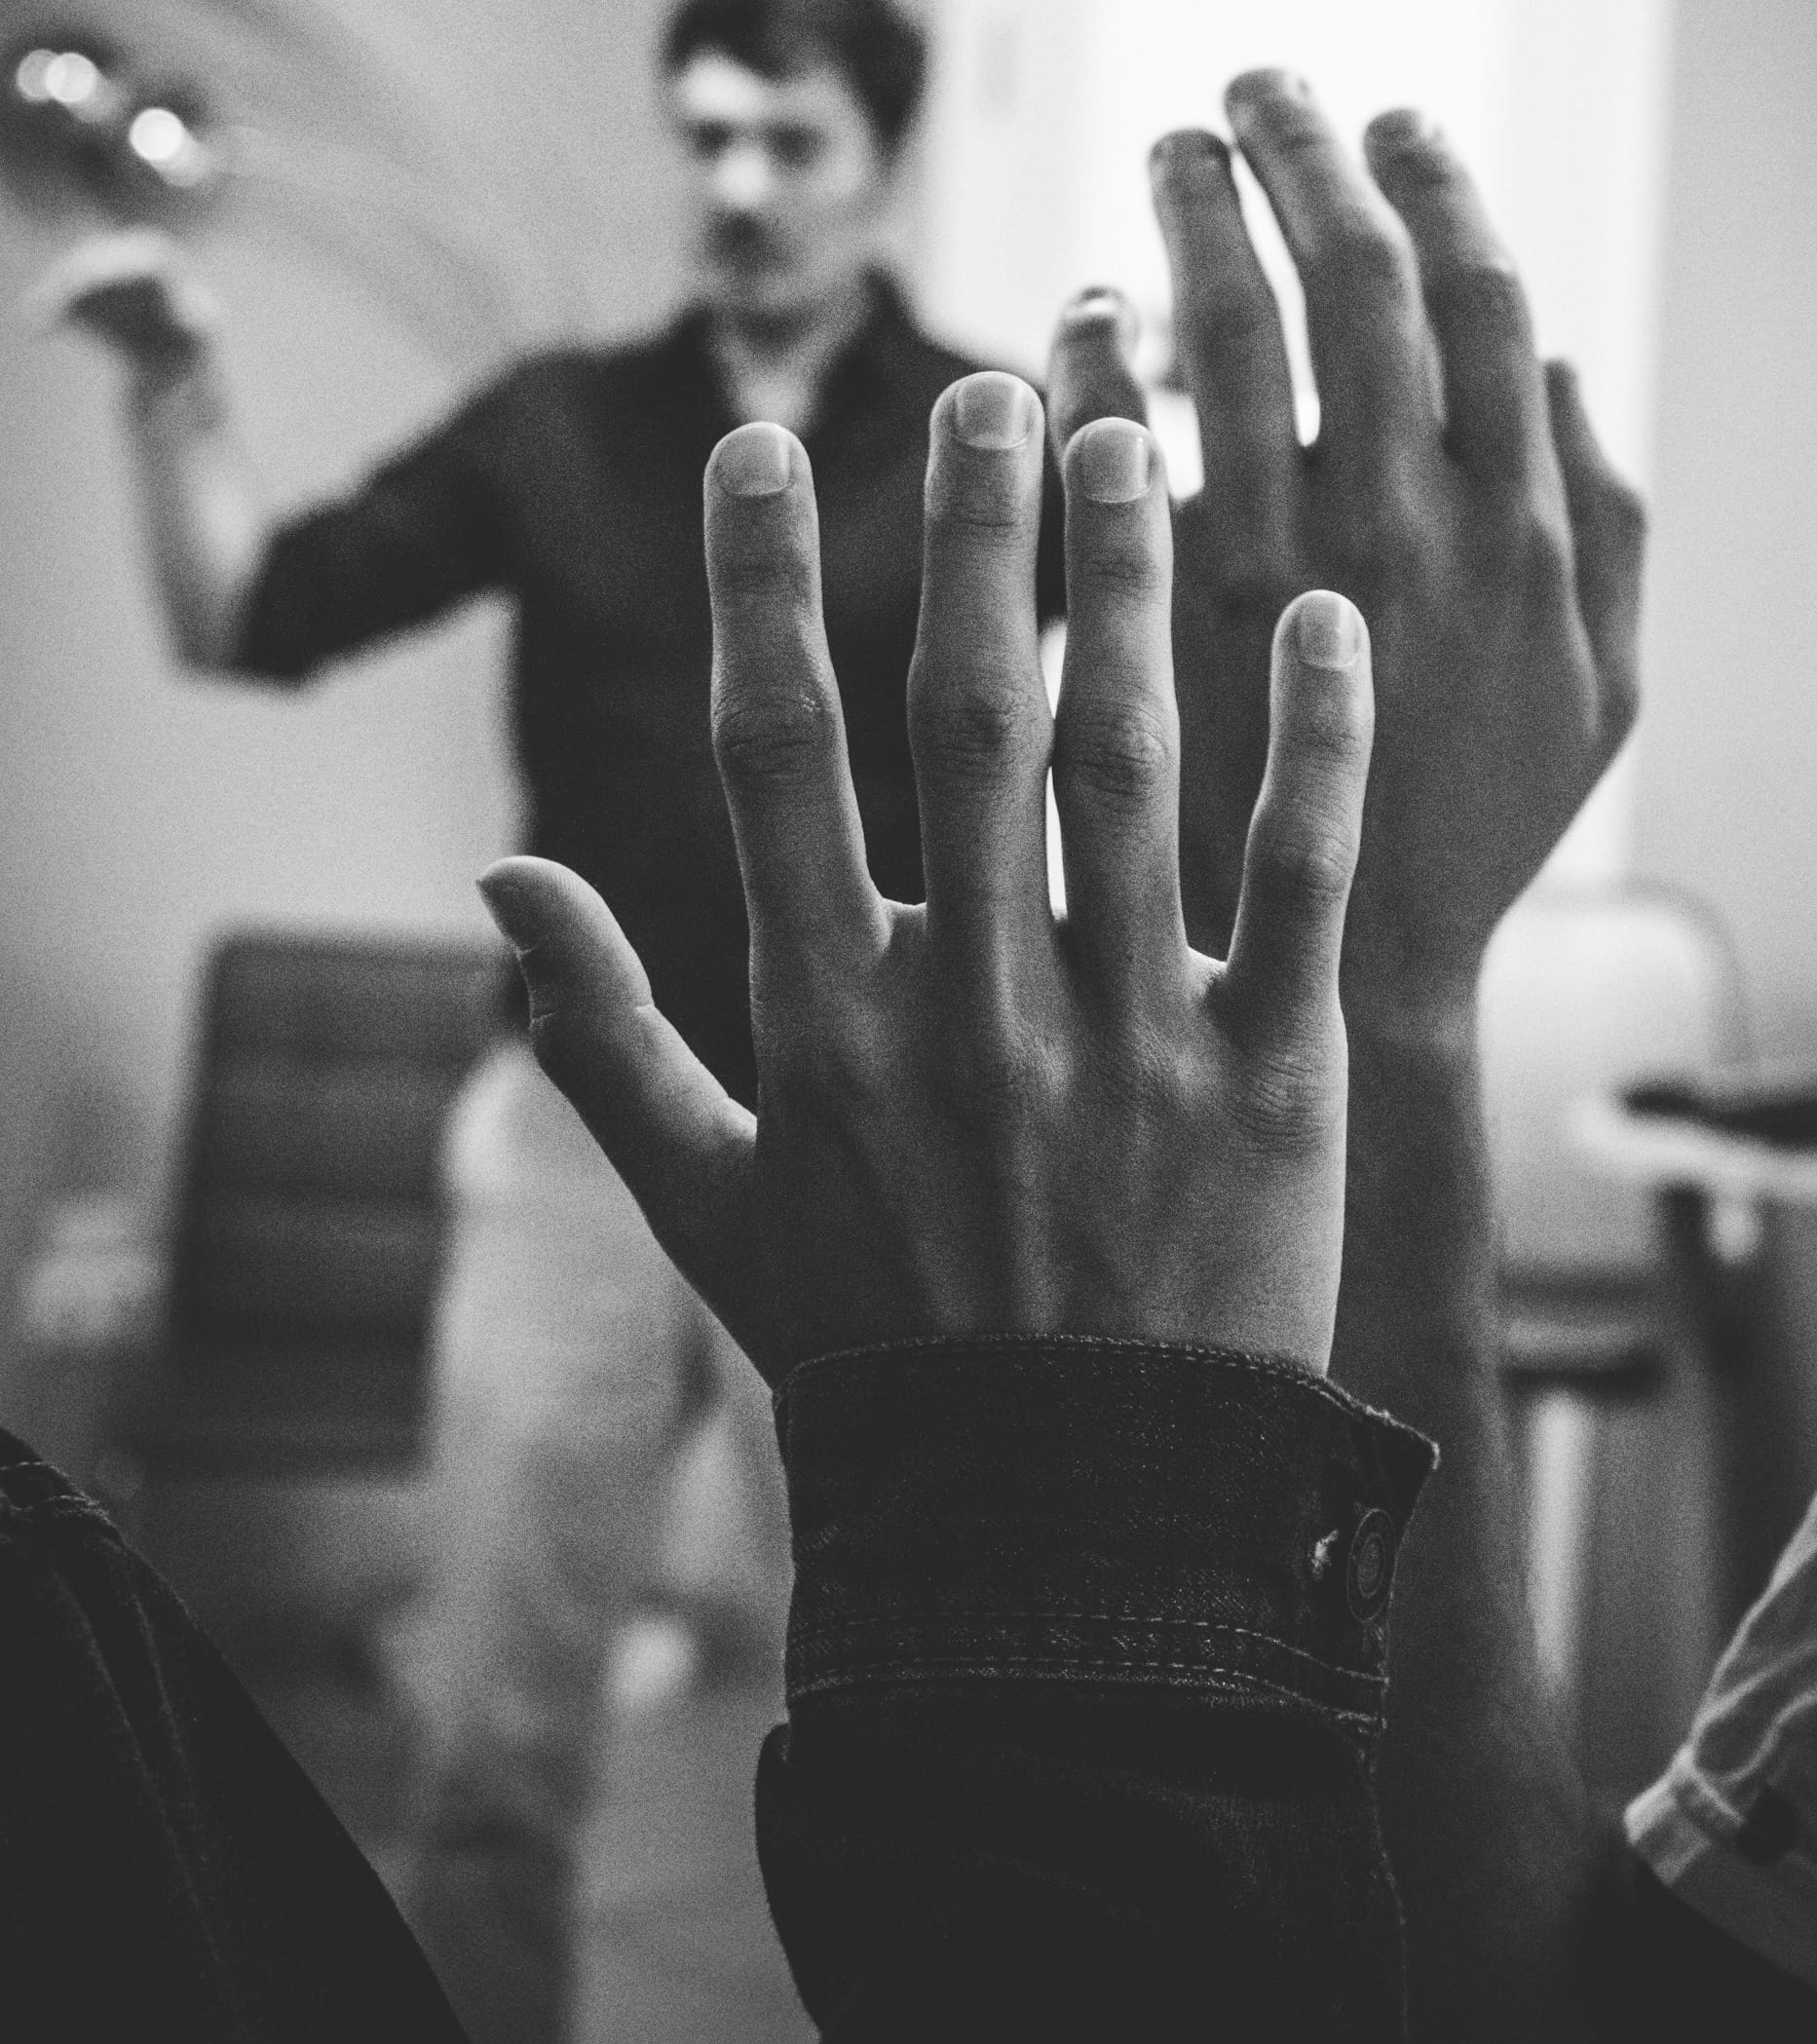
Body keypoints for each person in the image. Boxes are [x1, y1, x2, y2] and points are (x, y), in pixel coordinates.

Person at [38, 2, 1058, 2037]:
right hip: (570, 1146)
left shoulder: (990, 440)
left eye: (791, 137)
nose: (742, 183)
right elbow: (247, 611)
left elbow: (1090, 761)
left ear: (881, 158)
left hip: (879, 1155)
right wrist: (174, 391)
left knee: (923, 1745)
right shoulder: (557, 426)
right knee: (494, 1753)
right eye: (708, 137)